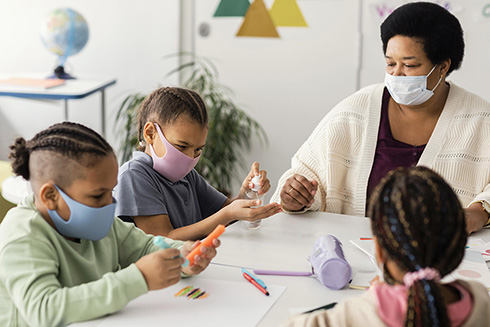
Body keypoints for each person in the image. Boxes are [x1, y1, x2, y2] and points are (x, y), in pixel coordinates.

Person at [270, 2, 490, 234]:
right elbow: (307, 174)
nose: (396, 74)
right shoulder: (357, 110)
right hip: (355, 256)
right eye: (390, 63)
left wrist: (480, 211)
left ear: (443, 66)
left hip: (442, 262)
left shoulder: (481, 120)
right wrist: (296, 196)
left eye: (410, 65)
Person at [0, 122, 219, 327]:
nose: (110, 203)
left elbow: (146, 247)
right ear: (51, 196)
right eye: (97, 196)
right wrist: (139, 278)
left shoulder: (102, 224)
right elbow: (43, 308)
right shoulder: (23, 233)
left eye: (110, 191)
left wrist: (183, 257)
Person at [284, 166, 490, 326]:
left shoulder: (362, 312)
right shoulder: (479, 300)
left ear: (380, 252)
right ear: (456, 249)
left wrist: (375, 299)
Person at [114, 87, 282, 241]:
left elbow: (226, 211)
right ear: (150, 133)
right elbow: (164, 238)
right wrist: (227, 214)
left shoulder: (187, 175)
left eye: (198, 150)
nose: (189, 157)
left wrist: (246, 194)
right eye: (181, 146)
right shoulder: (134, 176)